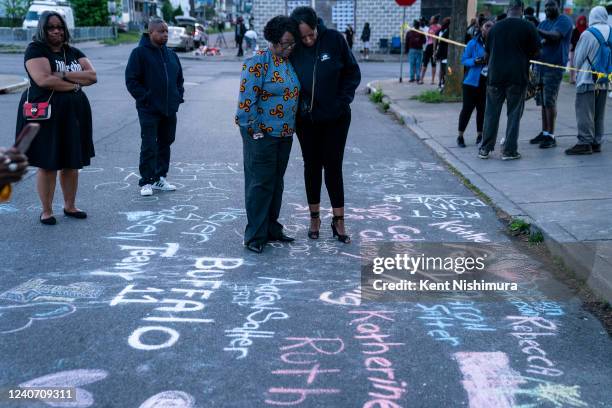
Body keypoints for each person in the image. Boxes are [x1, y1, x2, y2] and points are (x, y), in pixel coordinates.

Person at [16, 11, 96, 225]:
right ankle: (46, 211)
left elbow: (92, 76)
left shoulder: (72, 51)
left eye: (60, 27)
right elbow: (43, 79)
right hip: (45, 114)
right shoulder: (35, 50)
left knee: (71, 161)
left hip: (74, 114)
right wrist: (74, 84)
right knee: (48, 162)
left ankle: (70, 206)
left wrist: (60, 74)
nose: (56, 31)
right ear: (42, 29)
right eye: (51, 27)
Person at [290, 6, 361, 243]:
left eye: (312, 34)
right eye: (304, 37)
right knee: (312, 166)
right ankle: (314, 217)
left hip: (336, 118)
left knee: (333, 166)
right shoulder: (293, 46)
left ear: (317, 26)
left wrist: (342, 102)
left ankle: (339, 221)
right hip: (306, 120)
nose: (309, 40)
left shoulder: (334, 40)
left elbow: (352, 73)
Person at [236, 15, 301, 254]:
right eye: (285, 43)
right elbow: (246, 104)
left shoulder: (287, 62)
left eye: (292, 43)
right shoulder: (258, 62)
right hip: (261, 135)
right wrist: (255, 132)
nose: (289, 47)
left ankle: (272, 228)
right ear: (273, 41)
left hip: (284, 134)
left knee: (276, 183)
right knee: (259, 184)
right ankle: (255, 235)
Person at [125, 17, 184, 197]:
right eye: (161, 31)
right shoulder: (139, 53)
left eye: (166, 31)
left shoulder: (171, 55)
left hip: (169, 108)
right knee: (149, 144)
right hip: (149, 109)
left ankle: (159, 177)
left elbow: (179, 80)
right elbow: (131, 80)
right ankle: (146, 181)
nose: (165, 34)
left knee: (166, 142)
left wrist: (177, 97)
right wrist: (145, 98)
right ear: (151, 33)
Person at [479, 0, 540, 161]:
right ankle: (509, 151)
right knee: (514, 114)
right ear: (521, 9)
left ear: (508, 9)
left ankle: (485, 149)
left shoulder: (495, 27)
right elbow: (536, 53)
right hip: (517, 76)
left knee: (491, 113)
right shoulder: (528, 27)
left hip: (495, 76)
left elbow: (487, 55)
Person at [565, 7, 610, 155]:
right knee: (599, 113)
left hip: (587, 79)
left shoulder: (588, 33)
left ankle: (584, 142)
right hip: (603, 80)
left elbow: (577, 60)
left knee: (584, 112)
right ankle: (596, 142)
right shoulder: (610, 31)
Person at [530, 0, 572, 149]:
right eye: (546, 6)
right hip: (540, 67)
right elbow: (538, 42)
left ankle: (551, 136)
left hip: (554, 68)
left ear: (558, 6)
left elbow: (555, 36)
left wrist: (535, 29)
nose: (547, 8)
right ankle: (544, 132)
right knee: (542, 101)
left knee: (550, 101)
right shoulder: (543, 23)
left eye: (551, 5)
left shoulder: (564, 20)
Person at [457, 18, 494, 148]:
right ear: (481, 28)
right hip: (471, 82)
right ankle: (460, 136)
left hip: (487, 82)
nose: (489, 29)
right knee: (467, 109)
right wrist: (475, 61)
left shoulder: (495, 43)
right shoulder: (473, 43)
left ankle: (480, 135)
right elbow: (464, 60)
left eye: (491, 26)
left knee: (482, 110)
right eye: (487, 26)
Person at [420, 15, 441, 85]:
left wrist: (434, 50)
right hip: (436, 46)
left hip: (430, 46)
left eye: (431, 19)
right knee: (433, 63)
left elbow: (434, 38)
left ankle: (421, 79)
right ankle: (432, 80)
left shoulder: (432, 27)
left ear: (434, 20)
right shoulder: (439, 27)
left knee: (425, 63)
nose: (430, 20)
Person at [569, 15, 588, 84]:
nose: (582, 21)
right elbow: (572, 40)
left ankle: (580, 78)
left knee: (582, 64)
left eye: (583, 20)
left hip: (583, 49)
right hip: (574, 49)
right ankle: (572, 78)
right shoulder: (575, 29)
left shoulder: (587, 29)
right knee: (572, 64)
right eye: (581, 20)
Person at [435, 17, 451, 89]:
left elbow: (436, 42)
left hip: (442, 52)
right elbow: (437, 42)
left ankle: (441, 82)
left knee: (443, 68)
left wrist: (435, 52)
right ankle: (442, 82)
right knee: (446, 68)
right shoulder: (445, 31)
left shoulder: (441, 31)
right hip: (444, 52)